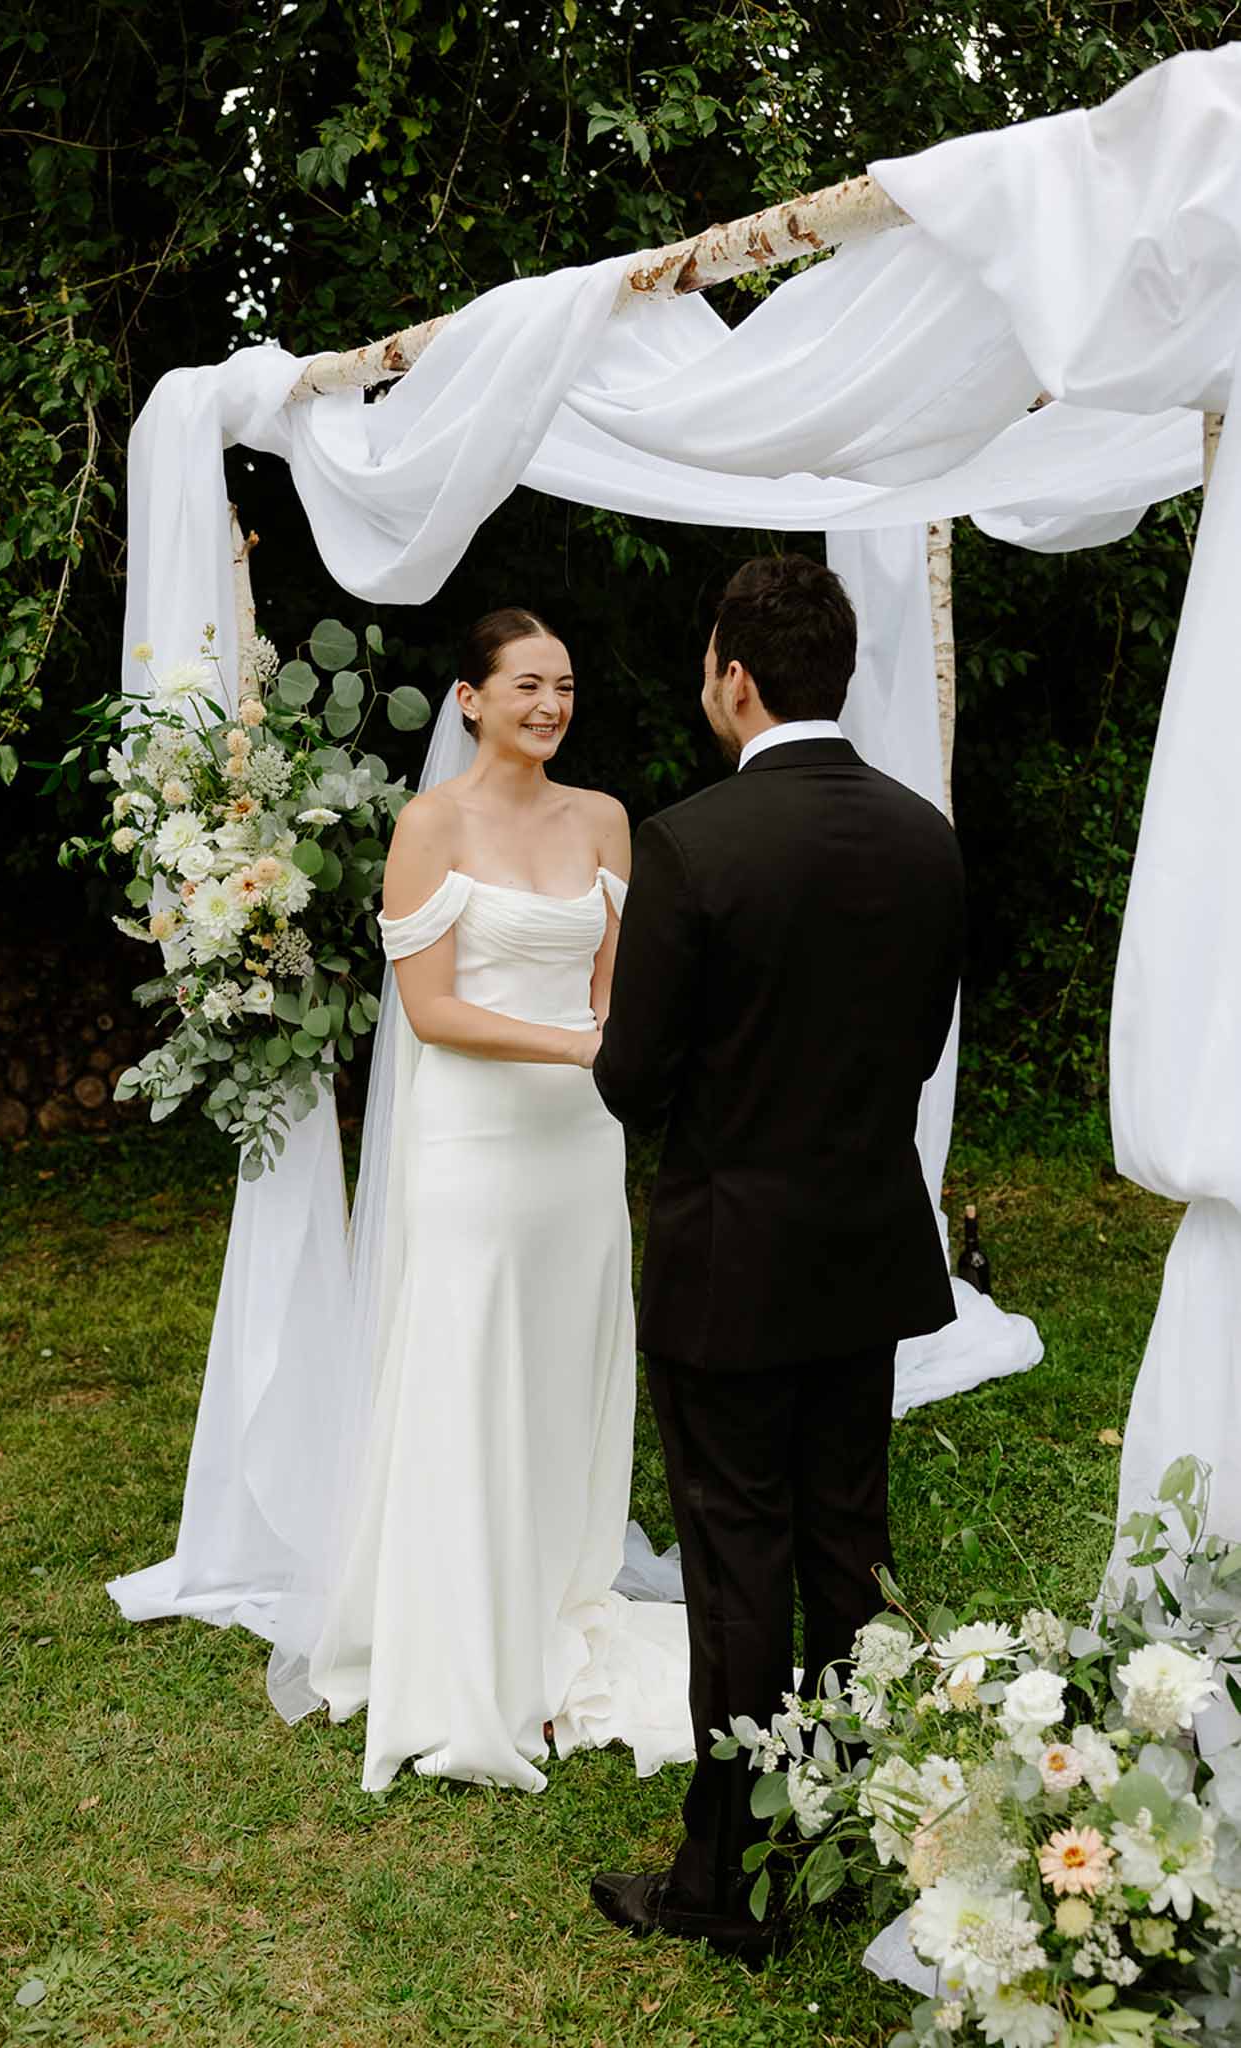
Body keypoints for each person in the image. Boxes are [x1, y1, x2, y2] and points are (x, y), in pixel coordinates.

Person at [589, 554, 965, 1961]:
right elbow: (915, 1050)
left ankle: (718, 1883)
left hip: (727, 1265)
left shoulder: (690, 843)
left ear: (732, 679)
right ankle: (855, 1829)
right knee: (845, 1551)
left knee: (738, 1563)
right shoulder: (924, 837)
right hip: (859, 1250)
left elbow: (631, 1078)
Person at [305, 607, 692, 1791]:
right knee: (472, 1361)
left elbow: (614, 991)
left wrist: (616, 1058)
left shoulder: (605, 820)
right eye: (527, 683)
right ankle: (463, 1633)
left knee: (566, 1361)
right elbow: (431, 1011)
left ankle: (555, 1588)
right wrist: (580, 1049)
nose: (551, 704)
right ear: (469, 699)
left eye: (565, 684)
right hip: (475, 1140)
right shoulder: (432, 823)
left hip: (579, 1147)